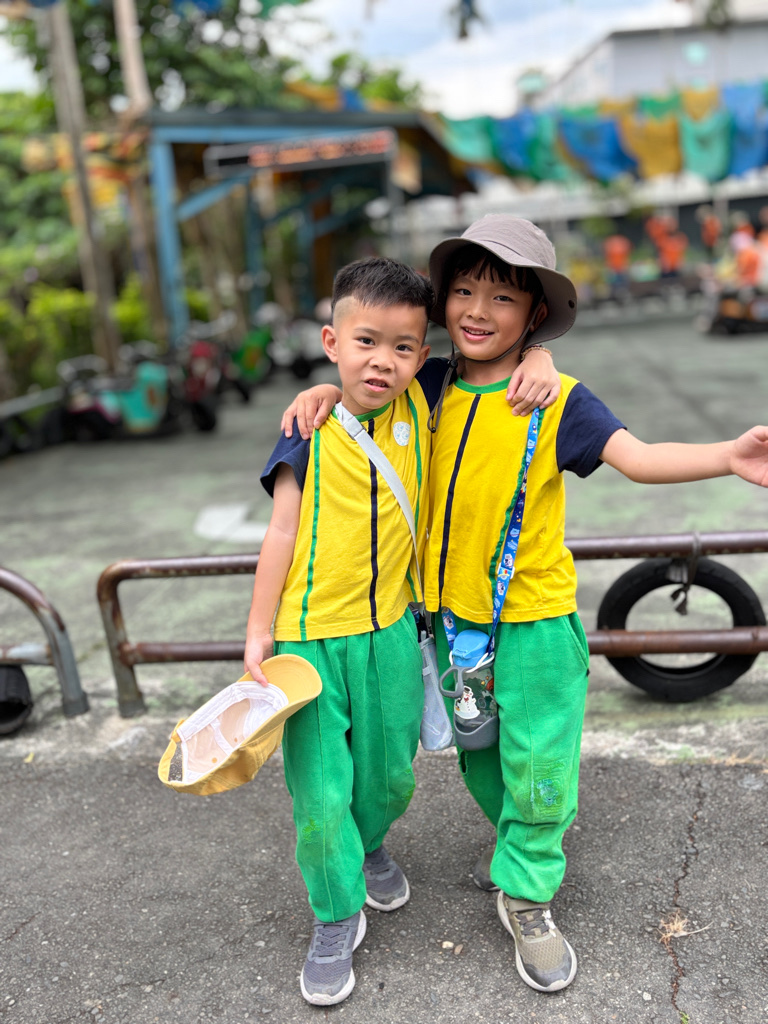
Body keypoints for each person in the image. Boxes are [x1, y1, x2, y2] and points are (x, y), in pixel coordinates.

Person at [283, 216, 768, 997]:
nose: (478, 310)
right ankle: (517, 849)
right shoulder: (429, 384)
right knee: (483, 760)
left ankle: (528, 894)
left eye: (503, 298)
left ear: (534, 314)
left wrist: (727, 456)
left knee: (539, 768)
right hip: (454, 627)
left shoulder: (556, 398)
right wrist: (317, 391)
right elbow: (363, 389)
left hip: (535, 620)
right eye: (465, 292)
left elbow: (640, 458)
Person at [244, 254, 559, 1007]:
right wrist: (259, 633)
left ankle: (372, 841)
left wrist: (542, 357)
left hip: (392, 632)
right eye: (365, 342)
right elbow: (280, 532)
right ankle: (334, 914)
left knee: (389, 775)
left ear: (422, 356)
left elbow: (496, 358)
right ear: (331, 341)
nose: (382, 361)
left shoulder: (425, 399)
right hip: (309, 639)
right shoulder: (307, 428)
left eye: (402, 346)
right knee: (321, 792)